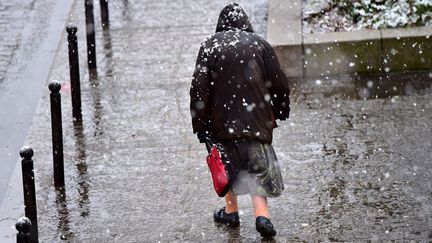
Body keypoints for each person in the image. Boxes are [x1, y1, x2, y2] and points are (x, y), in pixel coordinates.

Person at [189, 3, 290, 238]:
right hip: (256, 122)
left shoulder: (209, 46)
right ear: (246, 23)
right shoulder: (260, 45)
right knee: (258, 168)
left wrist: (200, 124)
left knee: (226, 165)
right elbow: (279, 83)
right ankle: (262, 216)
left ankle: (231, 211)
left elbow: (199, 90)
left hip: (220, 123)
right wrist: (281, 109)